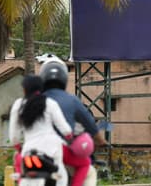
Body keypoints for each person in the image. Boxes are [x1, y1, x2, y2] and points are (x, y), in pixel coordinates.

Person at [40, 58, 108, 186]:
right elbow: (92, 127)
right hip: (62, 152)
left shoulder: (34, 100)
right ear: (64, 79)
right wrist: (101, 141)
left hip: (34, 151)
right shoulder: (72, 100)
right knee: (89, 171)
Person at [9, 75, 73, 186]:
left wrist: (19, 148)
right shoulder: (50, 103)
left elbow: (14, 137)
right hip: (52, 150)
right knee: (61, 176)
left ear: (24, 89)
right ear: (41, 88)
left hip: (29, 151)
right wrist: (69, 139)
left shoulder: (18, 105)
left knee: (25, 178)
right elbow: (66, 130)